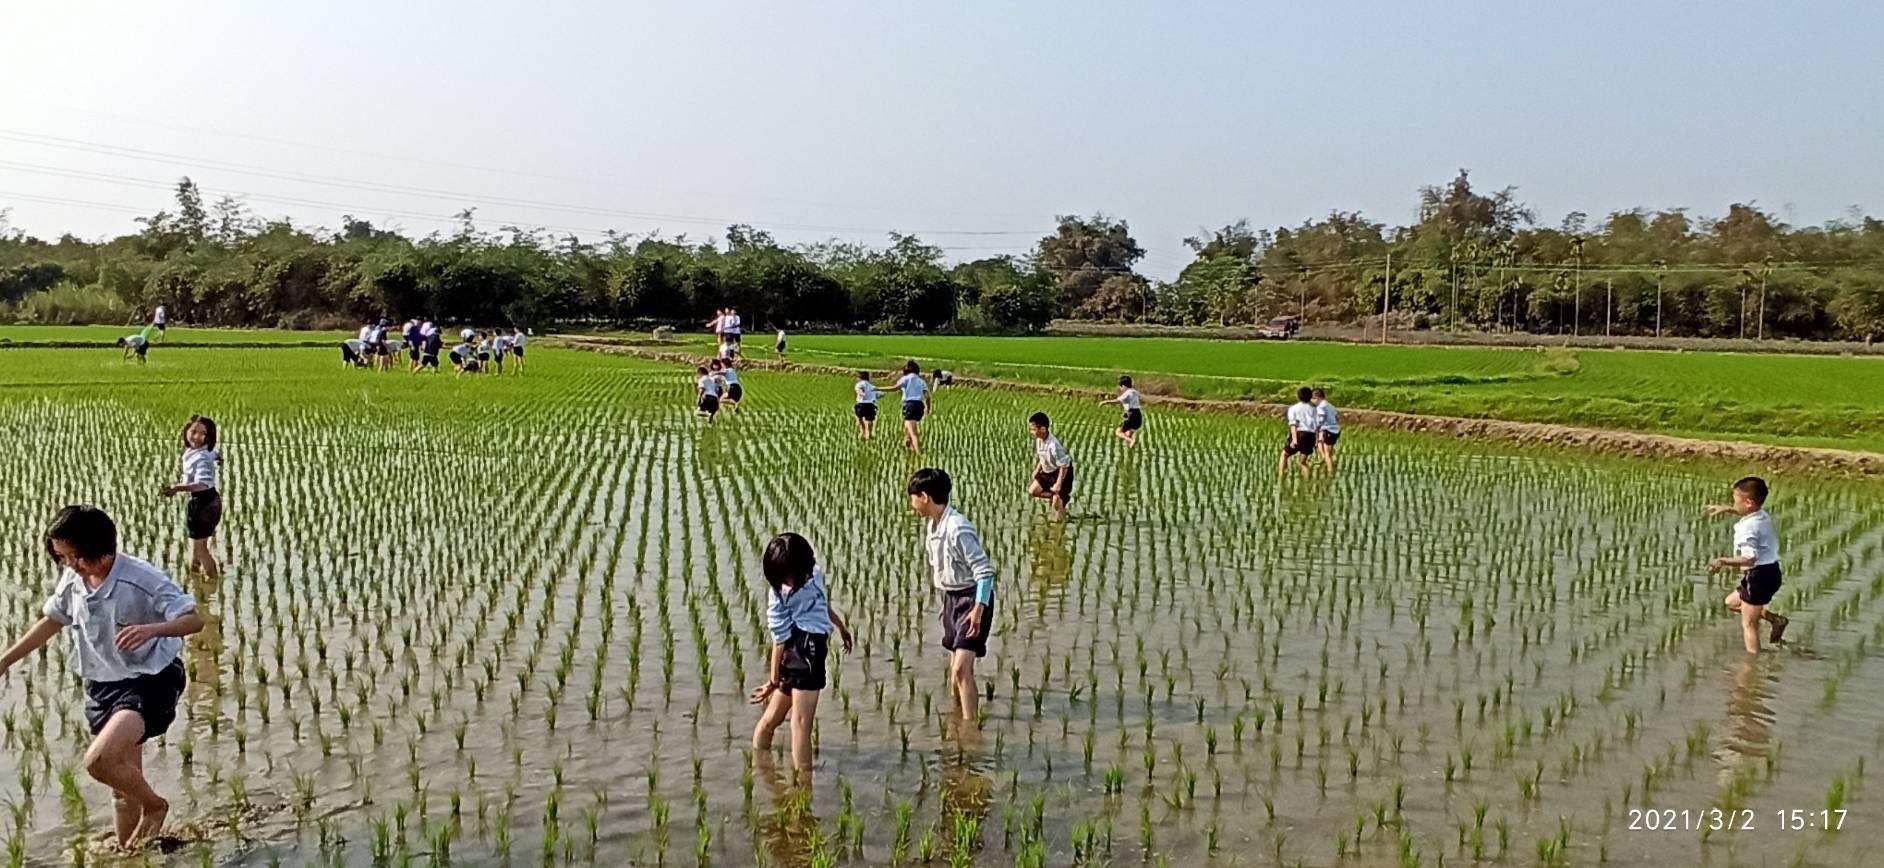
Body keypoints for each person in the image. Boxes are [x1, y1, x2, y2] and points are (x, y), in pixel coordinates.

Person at [0, 506, 203, 850]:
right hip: (103, 684)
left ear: (103, 548)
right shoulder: (74, 579)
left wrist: (152, 629)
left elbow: (193, 619)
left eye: (77, 557)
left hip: (149, 681)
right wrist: (5, 660)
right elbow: (53, 620)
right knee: (122, 788)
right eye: (62, 558)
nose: (71, 565)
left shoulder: (141, 578)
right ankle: (133, 853)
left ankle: (155, 806)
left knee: (100, 761)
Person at [749, 533, 854, 777]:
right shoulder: (779, 595)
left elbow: (819, 603)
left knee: (773, 718)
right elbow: (779, 639)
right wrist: (773, 680)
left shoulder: (813, 574)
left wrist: (840, 626)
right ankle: (804, 788)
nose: (788, 583)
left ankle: (759, 769)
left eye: (790, 576)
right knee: (801, 724)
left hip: (802, 650)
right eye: (782, 579)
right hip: (805, 652)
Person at [907, 468, 996, 724]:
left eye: (913, 497)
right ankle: (957, 719)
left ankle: (970, 729)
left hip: (972, 601)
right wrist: (947, 605)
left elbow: (984, 572)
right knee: (954, 670)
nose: (912, 504)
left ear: (924, 497)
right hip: (953, 599)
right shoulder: (934, 526)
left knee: (961, 669)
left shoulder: (958, 528)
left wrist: (978, 610)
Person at [1707, 477, 1790, 653]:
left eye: (1735, 501)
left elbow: (1749, 558)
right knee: (1731, 602)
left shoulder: (1748, 529)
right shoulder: (1762, 516)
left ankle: (1752, 665)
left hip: (1758, 576)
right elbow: (1749, 512)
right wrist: (1728, 509)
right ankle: (1776, 620)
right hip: (1771, 572)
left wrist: (1722, 560)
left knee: (1749, 624)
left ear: (1749, 502)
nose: (1734, 504)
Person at [160, 415, 222, 579]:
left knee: (200, 550)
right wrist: (218, 458)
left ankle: (213, 582)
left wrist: (176, 488)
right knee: (197, 546)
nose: (197, 437)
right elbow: (215, 454)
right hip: (210, 501)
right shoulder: (203, 451)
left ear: (209, 437)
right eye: (193, 431)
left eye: (203, 434)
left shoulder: (201, 457)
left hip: (203, 504)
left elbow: (202, 484)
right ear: (186, 431)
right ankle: (194, 579)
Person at [1025, 412, 1074, 520]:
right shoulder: (1039, 440)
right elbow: (1042, 456)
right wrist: (1037, 469)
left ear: (1043, 429)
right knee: (1033, 491)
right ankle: (1058, 497)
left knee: (1057, 507)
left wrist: (1058, 484)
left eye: (1033, 429)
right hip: (1048, 470)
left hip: (1062, 472)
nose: (1031, 432)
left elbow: (1064, 465)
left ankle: (1061, 521)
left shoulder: (1054, 445)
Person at [1277, 386, 1321, 480]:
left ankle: (1281, 478)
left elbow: (1293, 425)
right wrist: (1317, 440)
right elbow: (1318, 426)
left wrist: (1294, 440)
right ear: (1310, 396)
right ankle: (1308, 482)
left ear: (1298, 397)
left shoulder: (1294, 408)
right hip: (1311, 436)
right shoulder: (1315, 409)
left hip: (1299, 434)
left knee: (1284, 455)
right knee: (1302, 463)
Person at [894, 361, 930, 452]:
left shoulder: (905, 378)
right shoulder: (921, 381)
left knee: (913, 432)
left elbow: (895, 388)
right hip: (919, 406)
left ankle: (918, 452)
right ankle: (908, 440)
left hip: (909, 405)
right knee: (909, 424)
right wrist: (927, 408)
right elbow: (927, 397)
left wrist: (878, 388)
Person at [1101, 375, 1143, 446]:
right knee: (1128, 434)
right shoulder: (1135, 392)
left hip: (1131, 414)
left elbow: (1118, 401)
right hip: (1138, 416)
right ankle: (1130, 448)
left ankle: (1131, 440)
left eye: (1120, 387)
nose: (1120, 389)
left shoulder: (1128, 392)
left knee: (1118, 432)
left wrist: (1105, 402)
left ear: (1123, 386)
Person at [1311, 388, 1340, 475]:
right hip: (1335, 430)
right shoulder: (1330, 405)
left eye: (1312, 398)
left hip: (1327, 430)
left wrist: (1316, 428)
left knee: (1327, 454)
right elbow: (1337, 417)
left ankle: (1330, 472)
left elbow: (1321, 419)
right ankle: (1324, 461)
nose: (1312, 401)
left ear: (1317, 397)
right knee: (1320, 444)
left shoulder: (1321, 406)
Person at [853, 371, 883, 439]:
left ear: (860, 378)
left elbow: (859, 391)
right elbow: (880, 394)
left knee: (859, 418)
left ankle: (863, 431)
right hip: (870, 404)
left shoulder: (858, 385)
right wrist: (873, 396)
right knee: (869, 419)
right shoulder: (872, 386)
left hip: (861, 404)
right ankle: (869, 433)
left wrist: (863, 394)